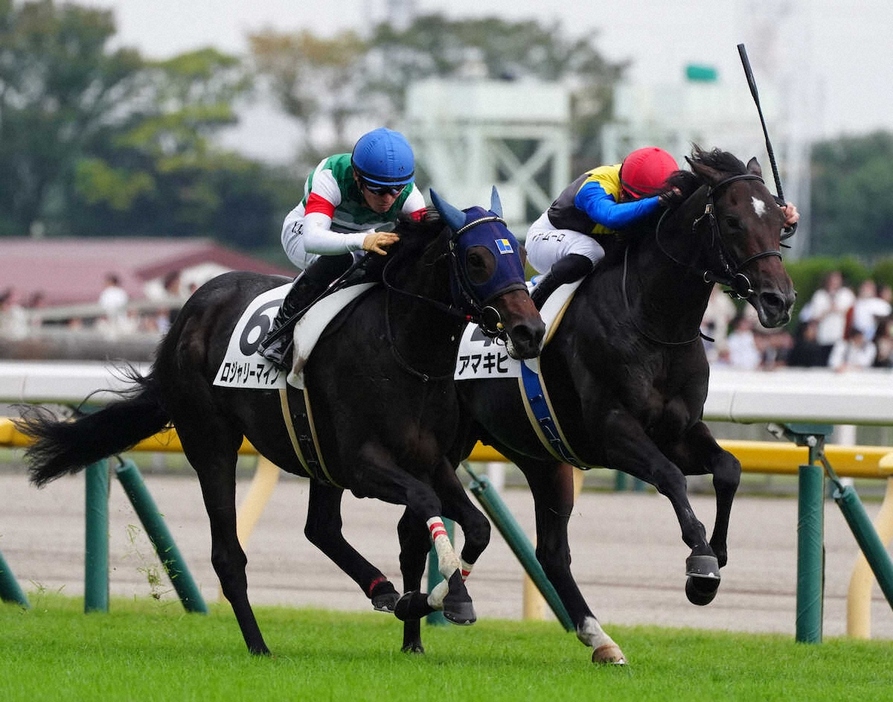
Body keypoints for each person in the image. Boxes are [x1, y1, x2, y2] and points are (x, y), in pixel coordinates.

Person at [525, 146, 801, 308]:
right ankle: (534, 300)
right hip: (548, 240)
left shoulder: (647, 179)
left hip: (595, 244)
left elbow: (733, 199)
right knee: (591, 251)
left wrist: (777, 211)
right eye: (640, 199)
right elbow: (611, 217)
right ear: (626, 188)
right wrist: (658, 201)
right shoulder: (594, 187)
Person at [258, 127, 427, 369]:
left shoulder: (410, 196)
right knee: (342, 258)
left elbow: (423, 247)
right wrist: (363, 240)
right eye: (378, 190)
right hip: (303, 234)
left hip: (358, 243)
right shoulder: (332, 175)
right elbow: (314, 239)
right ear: (358, 178)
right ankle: (279, 335)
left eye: (396, 190)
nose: (388, 199)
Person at [800, 270, 855, 365]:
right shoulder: (819, 295)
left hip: (840, 337)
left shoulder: (846, 294)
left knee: (836, 362)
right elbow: (814, 316)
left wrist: (836, 309)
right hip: (823, 336)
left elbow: (850, 312)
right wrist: (828, 310)